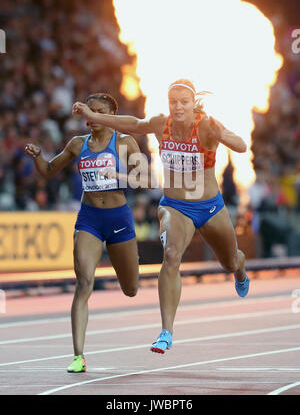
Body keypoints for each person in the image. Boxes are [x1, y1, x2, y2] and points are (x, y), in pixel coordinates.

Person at [72, 79, 250, 354]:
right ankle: (166, 331)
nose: (178, 107)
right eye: (173, 102)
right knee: (171, 255)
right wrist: (93, 115)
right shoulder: (160, 124)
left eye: (184, 102)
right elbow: (130, 124)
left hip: (210, 207)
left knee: (229, 261)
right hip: (175, 206)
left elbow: (241, 146)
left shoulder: (206, 125)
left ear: (193, 105)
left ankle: (240, 269)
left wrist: (223, 135)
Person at [25, 93, 141, 371]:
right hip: (89, 218)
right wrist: (39, 156)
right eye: (90, 112)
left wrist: (118, 176)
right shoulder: (78, 144)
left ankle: (129, 269)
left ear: (111, 114)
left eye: (99, 112)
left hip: (119, 218)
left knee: (131, 289)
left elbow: (143, 178)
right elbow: (49, 171)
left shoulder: (124, 142)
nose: (92, 117)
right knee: (84, 283)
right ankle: (78, 355)